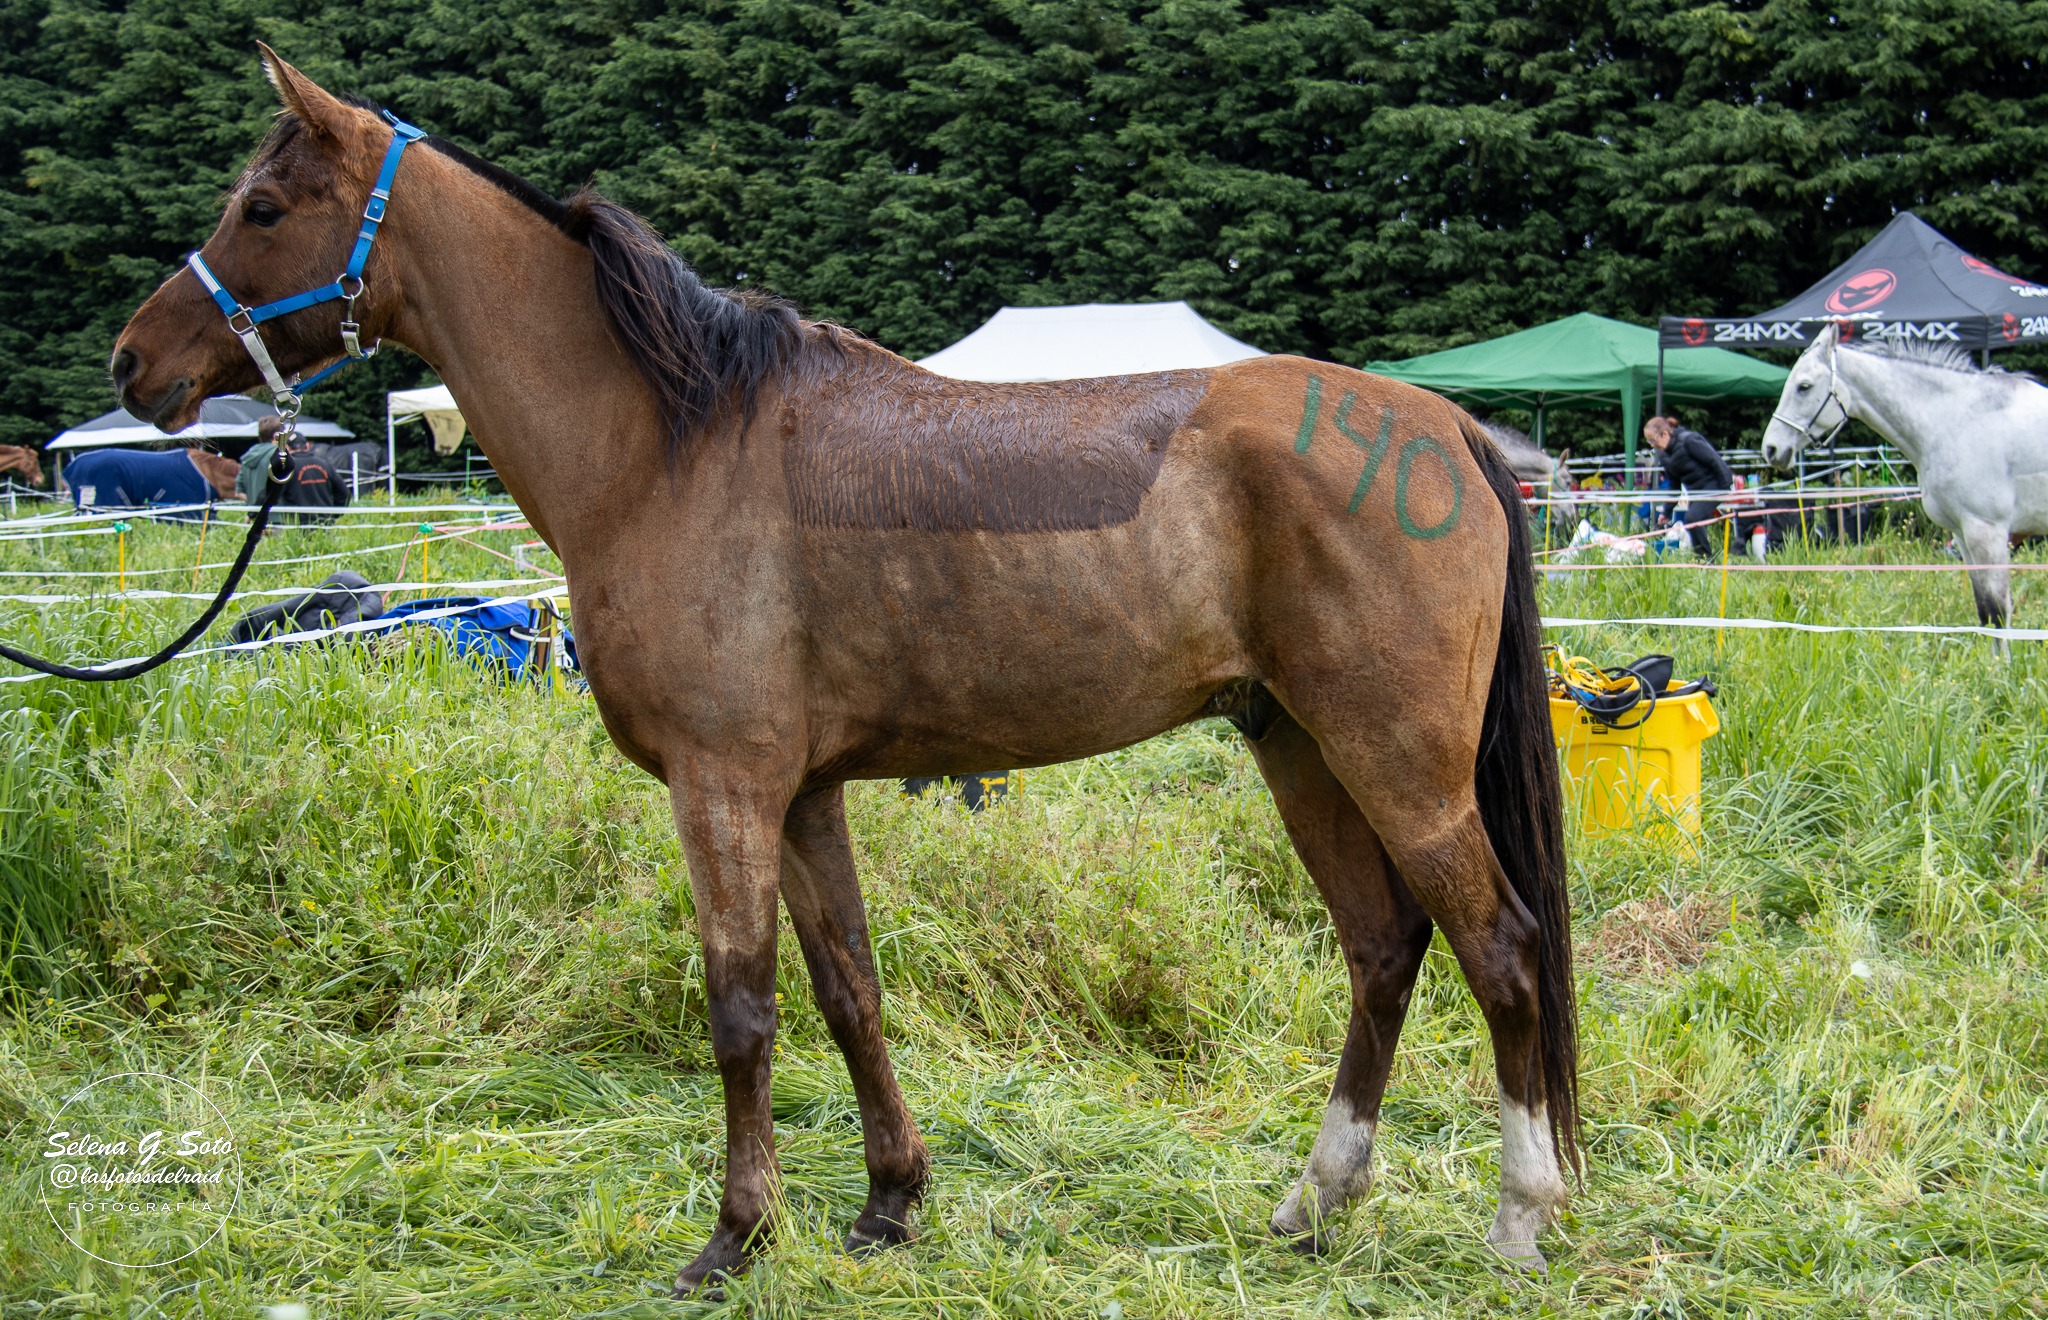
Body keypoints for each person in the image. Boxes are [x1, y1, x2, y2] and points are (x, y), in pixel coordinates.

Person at [1644, 416, 1735, 556]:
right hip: (1696, 492)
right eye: (1649, 441)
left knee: (1692, 518)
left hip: (1715, 485)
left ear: (1665, 434)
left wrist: (1727, 487)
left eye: (1653, 440)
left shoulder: (1689, 440)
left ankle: (1705, 558)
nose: (1652, 445)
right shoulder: (1664, 457)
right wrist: (1666, 512)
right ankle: (1701, 557)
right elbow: (1674, 486)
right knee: (1692, 523)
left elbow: (1714, 460)